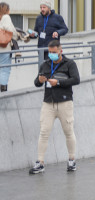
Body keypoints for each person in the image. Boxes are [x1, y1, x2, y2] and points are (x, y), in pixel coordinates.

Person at [29, 39, 80, 174]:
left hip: (65, 102)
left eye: (54, 52)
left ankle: (71, 160)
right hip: (48, 103)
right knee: (44, 132)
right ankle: (40, 162)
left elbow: (76, 79)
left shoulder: (69, 63)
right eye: (49, 52)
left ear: (60, 51)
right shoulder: (45, 64)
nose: (51, 54)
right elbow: (36, 83)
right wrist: (39, 81)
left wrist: (58, 83)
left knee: (68, 131)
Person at [0, 2, 20, 92]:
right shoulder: (6, 17)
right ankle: (3, 91)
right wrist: (17, 36)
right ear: (7, 9)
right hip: (4, 48)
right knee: (5, 69)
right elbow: (10, 31)